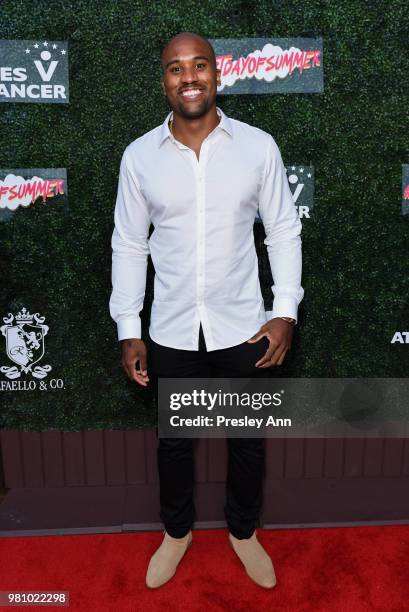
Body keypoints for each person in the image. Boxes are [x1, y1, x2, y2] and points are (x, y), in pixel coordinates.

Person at [110, 31, 303, 590]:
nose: (188, 77)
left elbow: (284, 231)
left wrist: (284, 313)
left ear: (218, 74)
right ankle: (178, 533)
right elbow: (129, 243)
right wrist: (130, 327)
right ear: (164, 80)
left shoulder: (258, 147)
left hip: (244, 328)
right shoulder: (139, 157)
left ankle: (243, 531)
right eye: (175, 68)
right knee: (174, 444)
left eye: (199, 66)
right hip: (170, 328)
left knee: (246, 440)